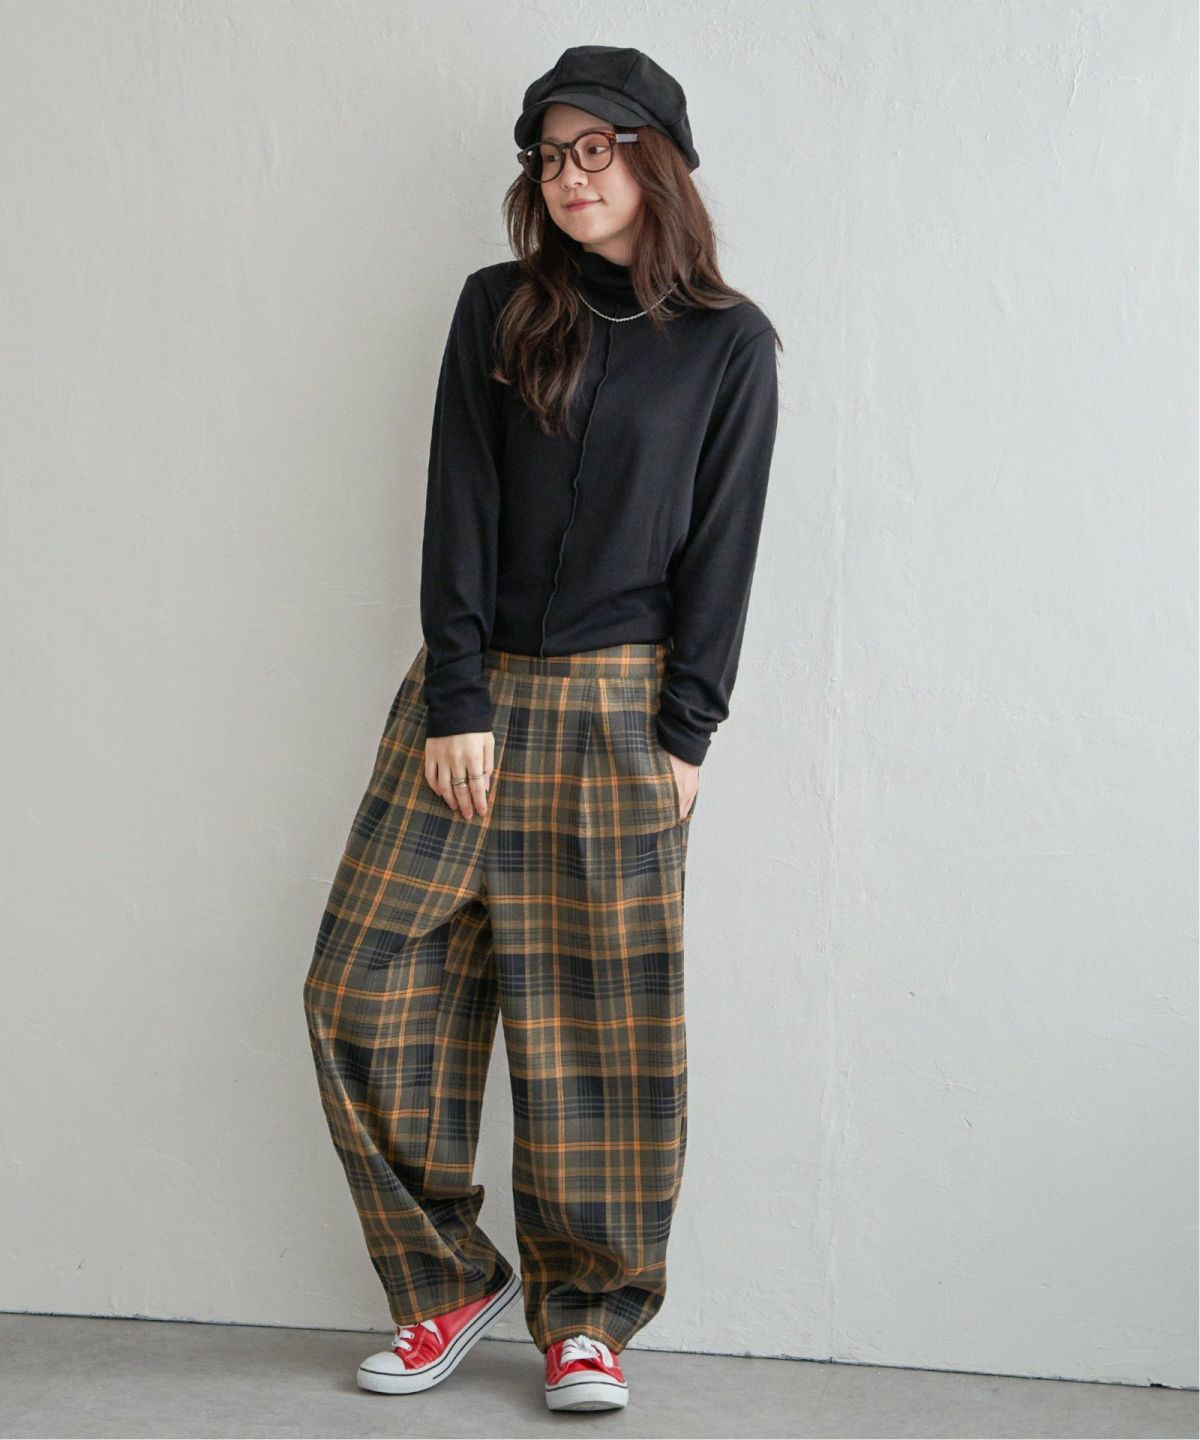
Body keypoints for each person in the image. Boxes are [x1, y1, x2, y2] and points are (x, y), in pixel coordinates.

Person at [303, 44, 781, 1415]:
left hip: (625, 714)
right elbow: (458, 499)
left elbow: (725, 549)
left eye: (598, 149)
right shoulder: (497, 309)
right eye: (552, 154)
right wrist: (459, 697)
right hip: (471, 696)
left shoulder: (731, 344)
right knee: (359, 983)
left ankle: (590, 1322)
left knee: (599, 1029)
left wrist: (685, 734)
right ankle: (448, 1279)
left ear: (657, 160)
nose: (572, 176)